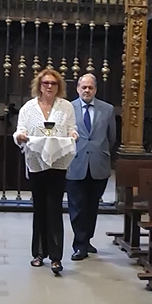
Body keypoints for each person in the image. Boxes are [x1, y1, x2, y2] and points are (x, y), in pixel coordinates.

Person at [13, 68, 78, 274]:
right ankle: (39, 253)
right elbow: (20, 130)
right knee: (39, 208)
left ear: (59, 86)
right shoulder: (28, 107)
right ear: (39, 85)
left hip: (58, 163)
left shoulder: (65, 107)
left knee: (55, 208)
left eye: (53, 83)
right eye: (45, 83)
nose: (49, 86)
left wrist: (73, 134)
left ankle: (56, 257)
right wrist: (20, 136)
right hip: (36, 162)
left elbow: (71, 128)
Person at [66, 74, 116, 261]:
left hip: (98, 164)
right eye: (83, 87)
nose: (87, 90)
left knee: (92, 205)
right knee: (77, 206)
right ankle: (79, 245)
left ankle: (87, 240)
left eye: (90, 88)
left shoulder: (107, 109)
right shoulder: (68, 108)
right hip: (75, 163)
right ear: (78, 88)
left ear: (95, 89)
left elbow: (111, 138)